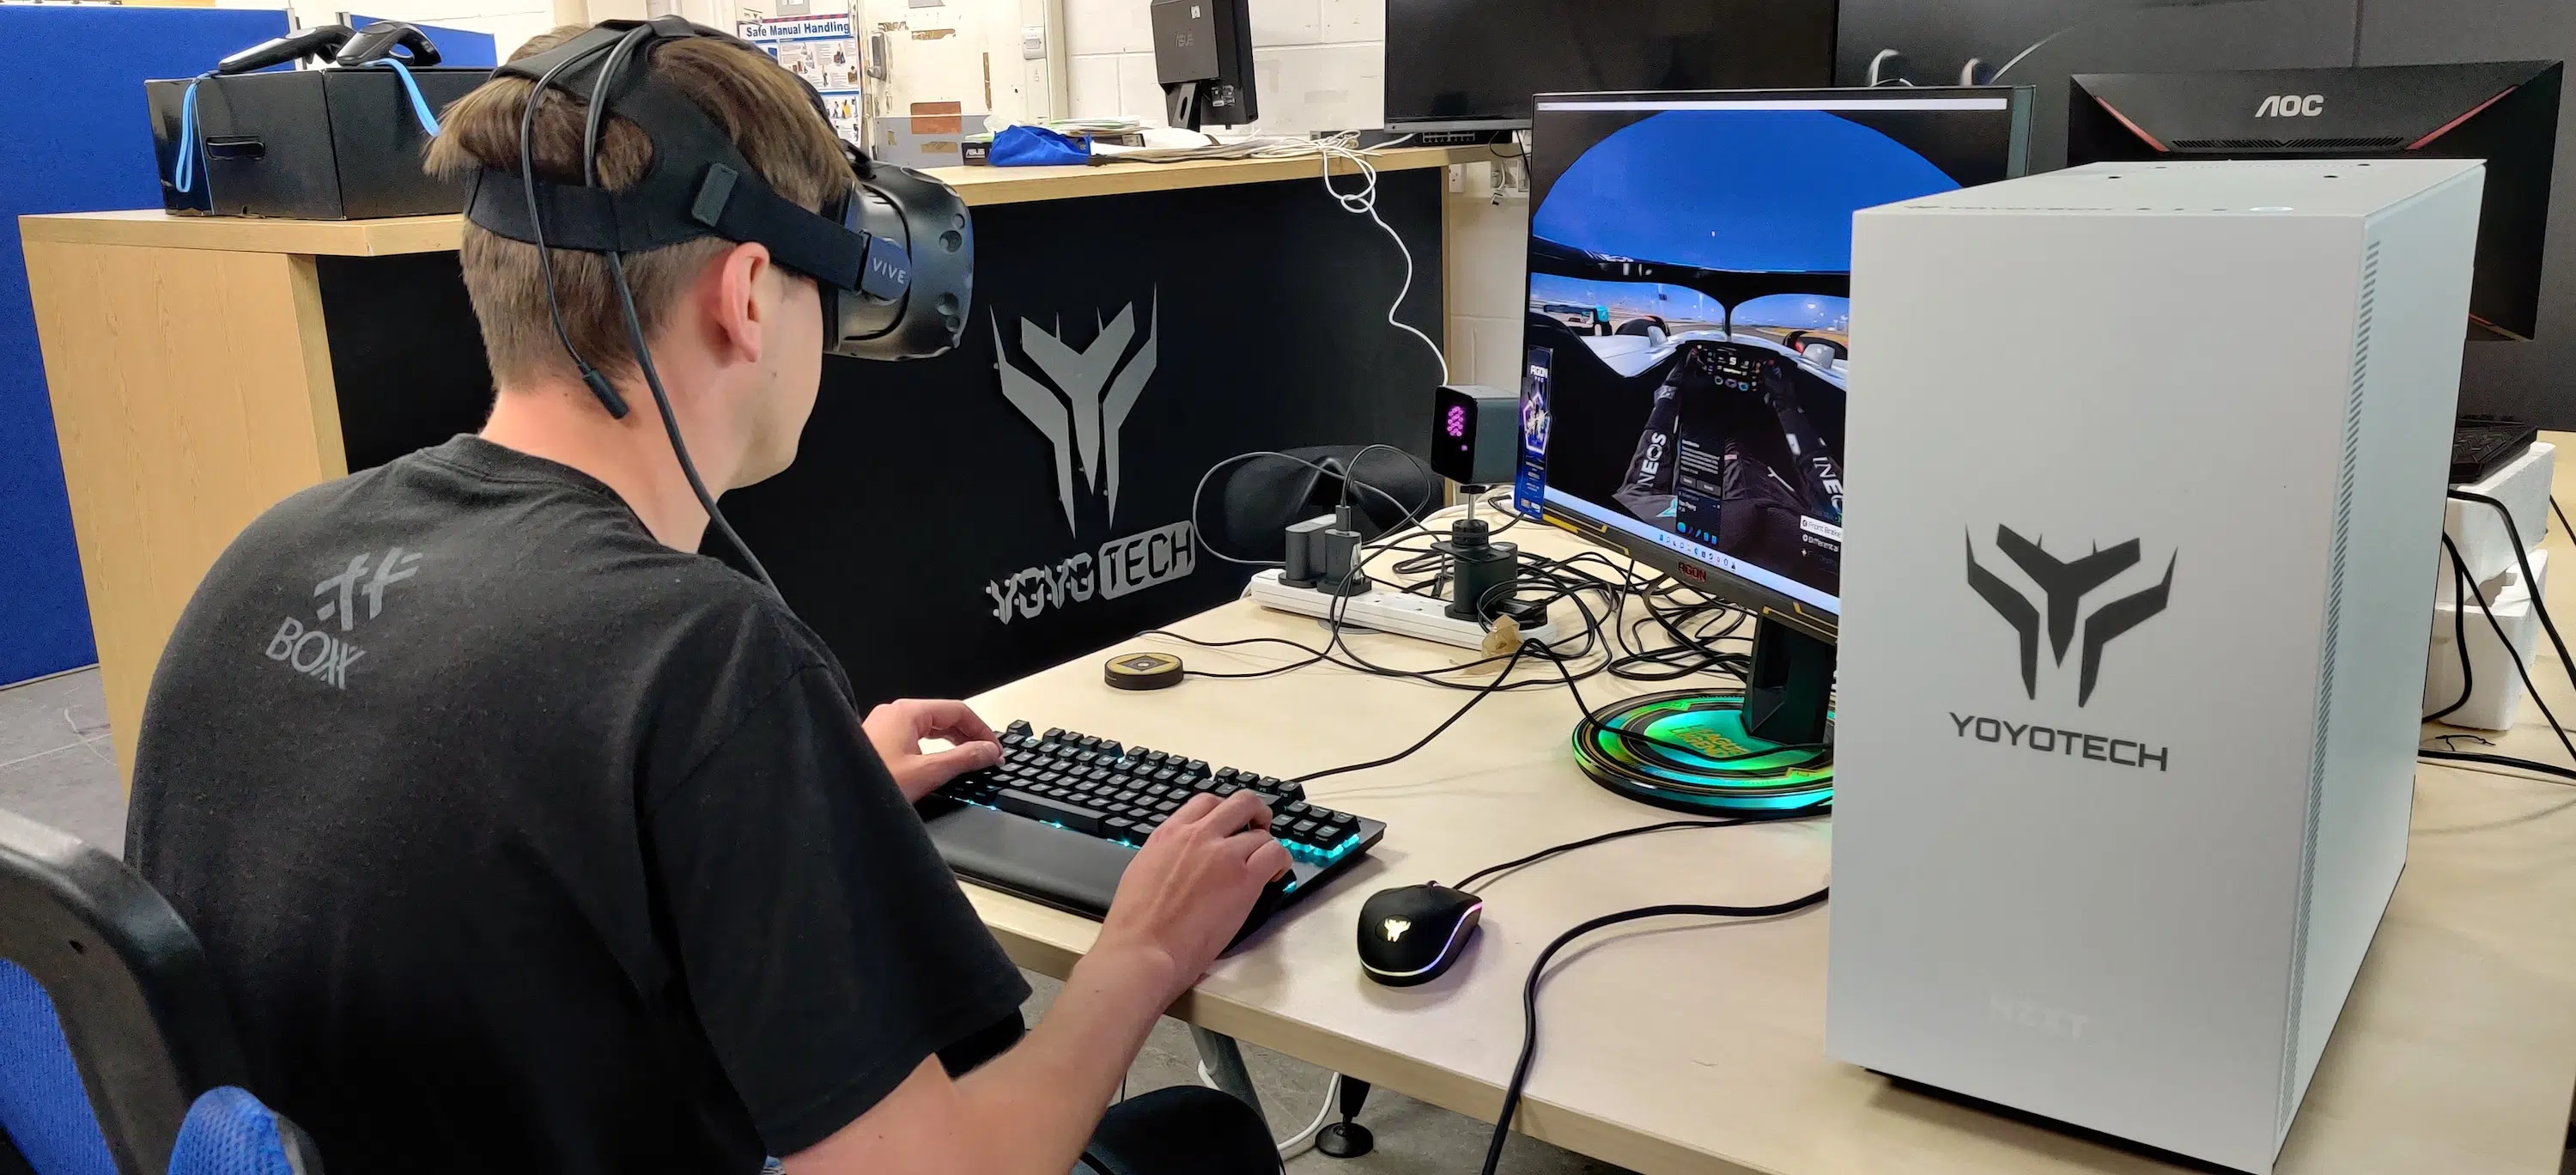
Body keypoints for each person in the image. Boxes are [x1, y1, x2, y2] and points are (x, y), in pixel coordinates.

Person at [125, 22, 1291, 1175]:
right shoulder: (699, 655)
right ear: (745, 293)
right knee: (1202, 1142)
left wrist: (795, 809)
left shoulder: (267, 557)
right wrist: (1139, 952)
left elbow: (481, 874)